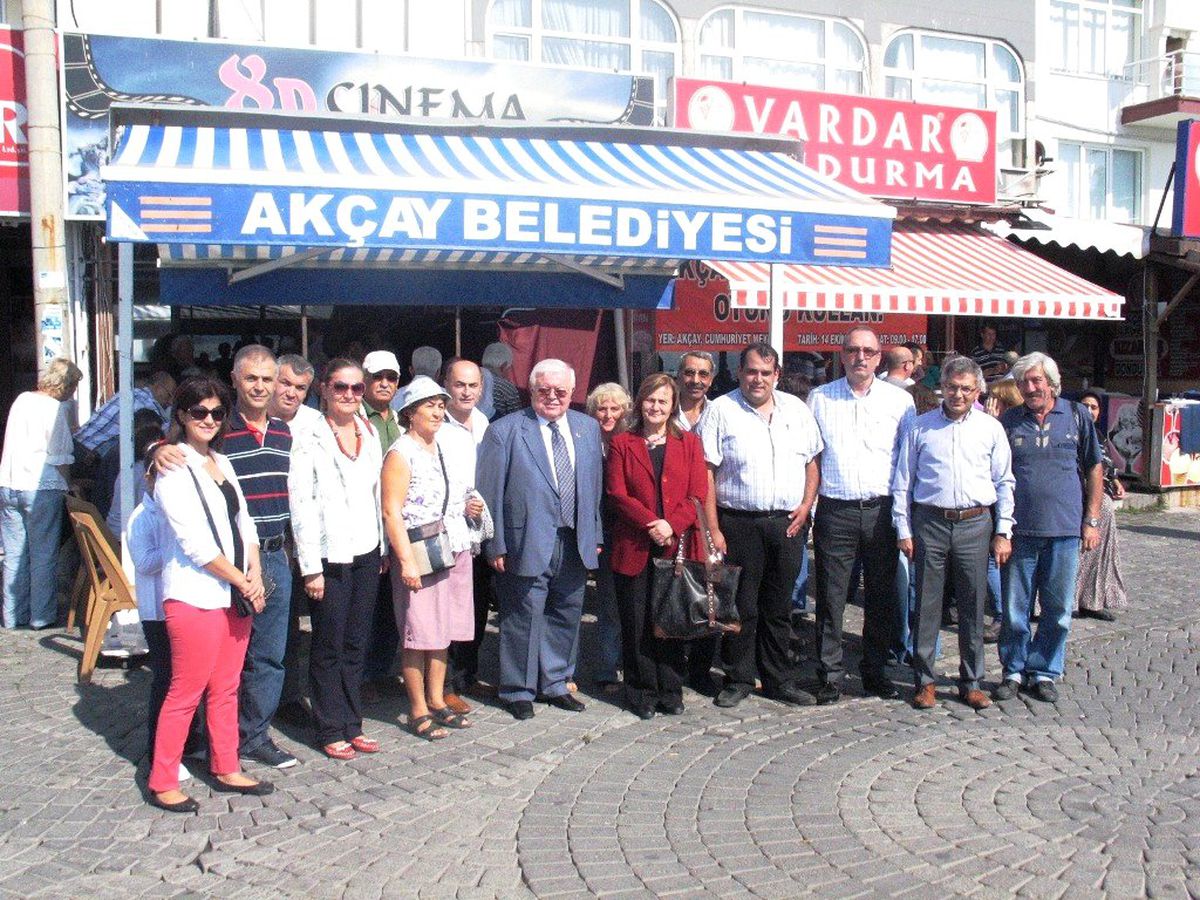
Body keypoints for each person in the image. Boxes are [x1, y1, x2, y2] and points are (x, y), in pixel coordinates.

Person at [150, 346, 298, 769]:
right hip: (219, 564)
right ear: (235, 379)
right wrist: (154, 450)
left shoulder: (285, 431)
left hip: (270, 555)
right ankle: (196, 746)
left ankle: (252, 737)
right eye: (251, 378)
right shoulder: (215, 430)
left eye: (267, 379)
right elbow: (172, 449)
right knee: (210, 666)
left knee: (267, 657)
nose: (260, 386)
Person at [145, 376, 271, 813]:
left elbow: (245, 521)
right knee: (186, 691)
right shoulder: (172, 466)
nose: (209, 420)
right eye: (199, 411)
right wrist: (242, 579)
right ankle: (163, 779)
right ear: (182, 414)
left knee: (226, 687)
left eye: (217, 412)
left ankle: (226, 765)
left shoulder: (222, 460)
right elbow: (194, 544)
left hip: (234, 592)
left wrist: (254, 570)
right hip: (195, 594)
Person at [476, 359, 604, 720]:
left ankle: (556, 683)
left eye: (560, 391)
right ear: (531, 391)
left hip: (574, 540)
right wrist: (495, 543)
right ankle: (517, 689)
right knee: (522, 616)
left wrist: (594, 532)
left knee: (566, 612)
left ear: (572, 392)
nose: (552, 397)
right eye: (543, 390)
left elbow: (593, 487)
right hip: (524, 540)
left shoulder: (587, 428)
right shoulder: (504, 431)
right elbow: (489, 493)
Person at [698, 342, 822, 709]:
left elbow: (812, 462)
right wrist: (713, 528)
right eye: (751, 371)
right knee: (741, 606)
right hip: (739, 522)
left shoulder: (797, 410)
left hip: (786, 524)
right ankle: (738, 678)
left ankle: (777, 679)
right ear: (739, 372)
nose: (758, 379)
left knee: (779, 606)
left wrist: (806, 505)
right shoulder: (721, 410)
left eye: (766, 373)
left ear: (777, 375)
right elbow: (706, 472)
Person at [892, 357, 1015, 711]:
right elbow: (903, 482)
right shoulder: (920, 427)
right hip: (930, 521)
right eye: (951, 387)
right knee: (926, 603)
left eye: (965, 389)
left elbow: (1004, 482)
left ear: (977, 391)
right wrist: (903, 528)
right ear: (941, 388)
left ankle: (971, 681)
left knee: (973, 604)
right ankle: (925, 681)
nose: (957, 395)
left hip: (975, 523)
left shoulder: (991, 429)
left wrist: (1003, 530)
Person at [808, 326, 916, 705]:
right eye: (853, 350)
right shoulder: (819, 398)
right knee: (831, 597)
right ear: (842, 355)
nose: (860, 357)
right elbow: (812, 458)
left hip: (881, 509)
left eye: (868, 351)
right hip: (835, 509)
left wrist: (904, 517)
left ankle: (875, 672)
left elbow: (907, 461)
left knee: (881, 596)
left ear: (879, 357)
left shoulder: (900, 402)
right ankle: (829, 675)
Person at [290, 359, 386, 759]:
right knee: (328, 643)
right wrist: (310, 567)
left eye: (356, 388)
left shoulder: (368, 431)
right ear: (325, 390)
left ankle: (352, 721)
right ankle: (329, 726)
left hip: (366, 550)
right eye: (340, 387)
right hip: (329, 554)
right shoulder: (309, 436)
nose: (349, 394)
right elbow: (301, 503)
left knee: (356, 641)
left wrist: (382, 547)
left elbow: (377, 494)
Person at [995, 352, 1103, 704]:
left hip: (1065, 531)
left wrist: (1091, 520)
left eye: (1036, 380)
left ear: (1051, 383)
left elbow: (1094, 468)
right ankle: (1013, 670)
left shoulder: (1076, 415)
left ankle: (1043, 671)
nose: (1029, 388)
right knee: (1015, 610)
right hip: (1020, 532)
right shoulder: (1009, 420)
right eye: (1023, 382)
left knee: (1057, 611)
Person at [382, 376, 481, 740]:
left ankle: (437, 699)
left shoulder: (441, 447)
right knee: (418, 632)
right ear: (411, 412)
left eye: (441, 405)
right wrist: (406, 561)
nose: (438, 412)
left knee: (442, 631)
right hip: (419, 551)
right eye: (430, 406)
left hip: (449, 546)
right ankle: (417, 709)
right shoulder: (400, 453)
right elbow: (391, 511)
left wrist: (469, 505)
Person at [606, 374, 707, 718]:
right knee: (636, 622)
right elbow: (617, 494)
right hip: (635, 544)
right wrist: (652, 523)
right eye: (650, 399)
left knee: (671, 619)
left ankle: (671, 689)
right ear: (640, 402)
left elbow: (697, 494)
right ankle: (641, 691)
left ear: (673, 405)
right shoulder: (623, 443)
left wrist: (671, 525)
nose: (655, 407)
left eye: (663, 401)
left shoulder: (689, 443)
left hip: (674, 545)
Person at [0, 358, 82, 629]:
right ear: (66, 385)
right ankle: (41, 616)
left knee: (14, 555)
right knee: (43, 555)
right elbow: (61, 455)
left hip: (9, 482)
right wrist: (69, 486)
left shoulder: (22, 399)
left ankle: (12, 615)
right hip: (41, 486)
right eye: (73, 386)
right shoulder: (54, 409)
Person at [265, 353, 319, 728]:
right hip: (267, 535)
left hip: (308, 535)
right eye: (285, 383)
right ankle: (263, 699)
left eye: (300, 388)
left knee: (297, 623)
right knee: (271, 623)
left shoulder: (316, 423)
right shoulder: (253, 417)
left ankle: (291, 695)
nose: (291, 393)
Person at [441, 359, 494, 711]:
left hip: (478, 532)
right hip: (448, 531)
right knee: (445, 610)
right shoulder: (435, 422)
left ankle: (467, 675)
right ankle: (444, 683)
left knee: (475, 606)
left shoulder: (484, 422)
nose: (466, 391)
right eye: (460, 384)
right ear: (447, 385)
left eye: (473, 385)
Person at [358, 350, 404, 698]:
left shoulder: (401, 419)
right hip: (368, 522)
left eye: (391, 377)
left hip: (397, 523)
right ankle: (361, 675)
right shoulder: (356, 416)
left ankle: (382, 669)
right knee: (366, 607)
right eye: (378, 377)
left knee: (391, 604)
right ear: (365, 379)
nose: (385, 383)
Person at [586, 382, 633, 692]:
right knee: (608, 604)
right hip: (598, 531)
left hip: (628, 531)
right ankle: (607, 667)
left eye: (615, 408)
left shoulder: (632, 441)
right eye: (602, 408)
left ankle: (631, 663)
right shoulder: (587, 442)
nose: (608, 414)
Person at [1073, 390, 1128, 621]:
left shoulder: (1098, 435)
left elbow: (1105, 464)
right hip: (1076, 498)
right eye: (1085, 405)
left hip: (1101, 503)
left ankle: (1092, 601)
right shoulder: (1071, 431)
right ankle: (1070, 601)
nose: (1089, 411)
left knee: (1100, 552)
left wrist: (1115, 481)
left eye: (1094, 407)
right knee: (1073, 552)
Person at [481, 341, 522, 422]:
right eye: (508, 368)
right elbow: (516, 418)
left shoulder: (468, 379)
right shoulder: (506, 387)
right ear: (503, 366)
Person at [675, 351, 715, 431]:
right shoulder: (664, 411)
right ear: (679, 376)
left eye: (703, 374)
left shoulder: (717, 412)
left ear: (711, 380)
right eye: (689, 373)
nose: (695, 380)